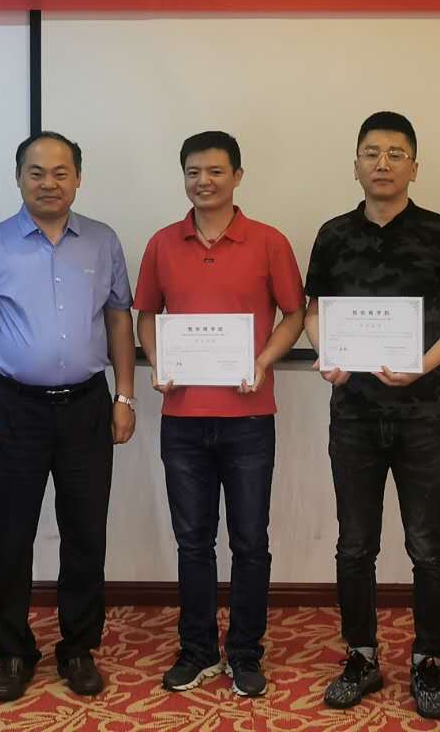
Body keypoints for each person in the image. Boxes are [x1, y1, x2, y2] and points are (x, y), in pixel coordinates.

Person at [303, 110, 440, 721]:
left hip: (421, 415)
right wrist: (327, 353)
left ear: (414, 166)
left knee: (427, 546)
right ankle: (360, 656)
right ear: (355, 163)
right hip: (353, 415)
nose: (382, 164)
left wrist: (423, 364)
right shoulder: (333, 235)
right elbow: (313, 310)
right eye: (371, 153)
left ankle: (428, 662)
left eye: (395, 154)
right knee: (355, 545)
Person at [0, 131, 137, 702]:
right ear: (18, 178)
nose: (48, 183)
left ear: (78, 178)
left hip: (87, 406)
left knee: (86, 532)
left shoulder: (103, 241)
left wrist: (125, 396)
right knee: (11, 534)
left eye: (61, 172)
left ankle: (78, 647)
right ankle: (13, 651)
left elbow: (119, 320)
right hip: (14, 407)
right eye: (36, 172)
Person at [134, 131, 305, 697]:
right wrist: (158, 360)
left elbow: (294, 314)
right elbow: (146, 315)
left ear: (237, 176)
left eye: (214, 171)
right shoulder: (163, 243)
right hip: (182, 418)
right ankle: (199, 649)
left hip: (249, 418)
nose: (203, 181)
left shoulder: (269, 241)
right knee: (193, 542)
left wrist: (263, 360)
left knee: (250, 541)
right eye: (193, 172)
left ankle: (246, 651)